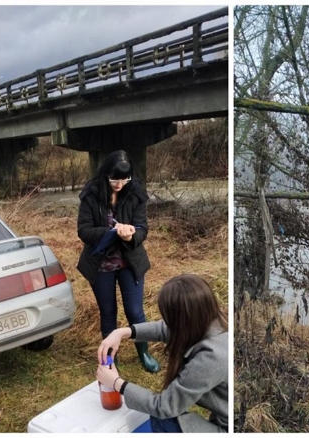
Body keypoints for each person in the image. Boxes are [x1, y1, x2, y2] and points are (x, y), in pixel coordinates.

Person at [96, 274, 228, 433]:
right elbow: (166, 329)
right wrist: (124, 332)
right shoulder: (213, 322)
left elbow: (164, 407)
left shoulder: (211, 358)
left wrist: (117, 383)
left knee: (162, 418)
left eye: (169, 318)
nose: (167, 323)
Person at [77, 150, 160, 373]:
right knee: (108, 312)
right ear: (106, 174)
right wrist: (112, 232)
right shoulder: (91, 194)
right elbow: (83, 231)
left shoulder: (136, 194)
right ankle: (110, 358)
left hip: (129, 263)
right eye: (115, 179)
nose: (119, 184)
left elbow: (143, 228)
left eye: (124, 179)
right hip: (100, 263)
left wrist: (131, 235)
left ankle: (143, 352)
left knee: (135, 312)